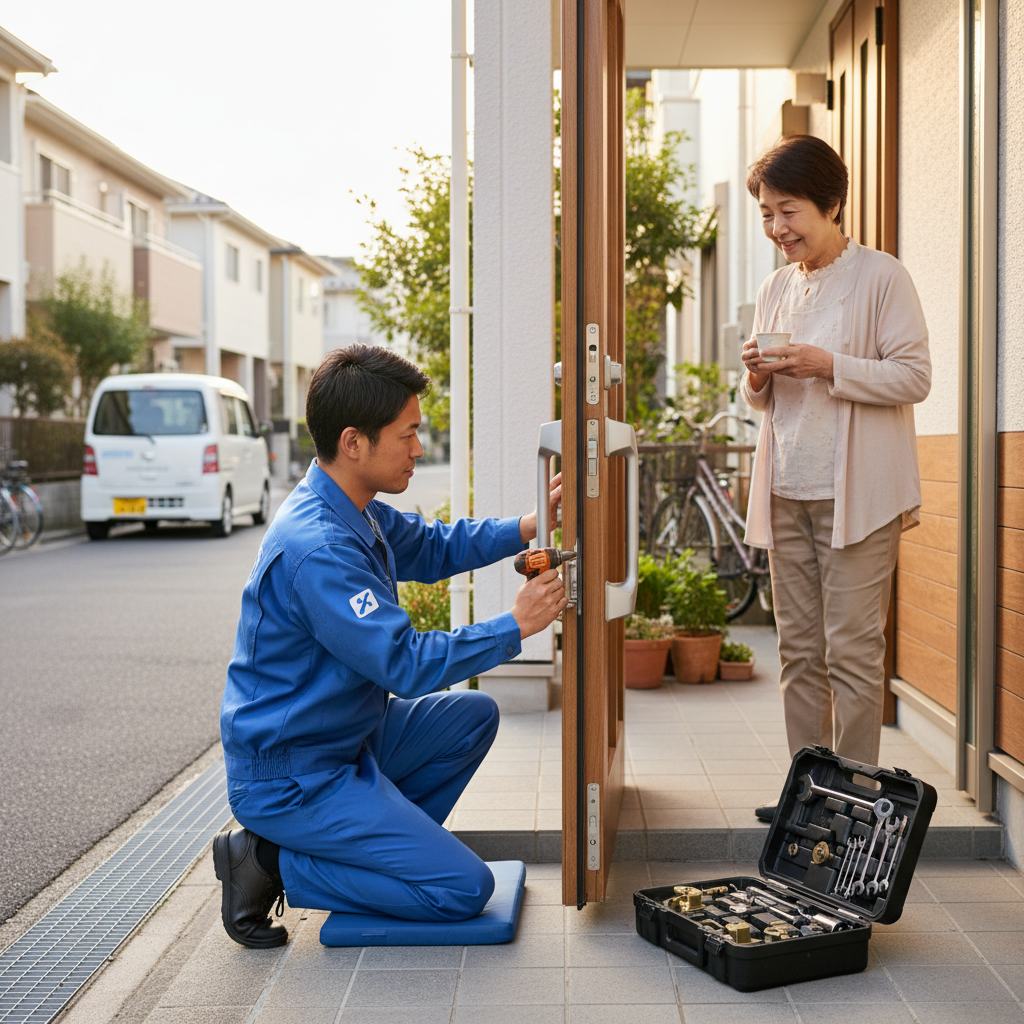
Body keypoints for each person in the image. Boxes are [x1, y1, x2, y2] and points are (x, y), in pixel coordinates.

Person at [214, 345, 566, 948]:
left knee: (472, 716)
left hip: (347, 739)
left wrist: (527, 526)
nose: (419, 449)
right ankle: (268, 861)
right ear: (354, 442)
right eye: (408, 435)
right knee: (461, 891)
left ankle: (373, 855)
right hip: (295, 774)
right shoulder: (320, 548)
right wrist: (515, 626)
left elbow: (432, 547)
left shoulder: (355, 508)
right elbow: (402, 662)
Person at [738, 135, 931, 822]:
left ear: (832, 204)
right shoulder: (773, 287)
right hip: (788, 485)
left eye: (788, 211)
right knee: (797, 652)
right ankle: (806, 795)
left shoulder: (881, 277)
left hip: (859, 495)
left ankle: (855, 797)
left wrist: (829, 365)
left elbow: (915, 377)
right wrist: (757, 376)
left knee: (850, 651)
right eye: (766, 214)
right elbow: (757, 402)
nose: (776, 229)